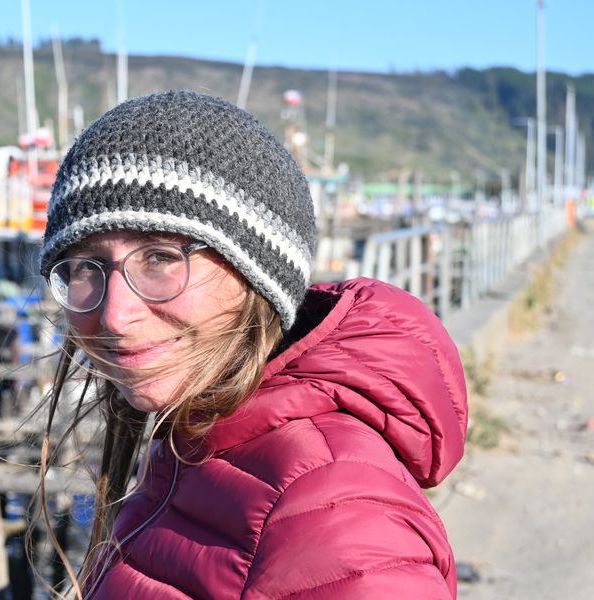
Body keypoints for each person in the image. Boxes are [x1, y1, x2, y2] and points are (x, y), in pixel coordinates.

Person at [38, 90, 468, 599]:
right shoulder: (195, 449)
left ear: (258, 277)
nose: (115, 314)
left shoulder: (334, 511)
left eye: (161, 258)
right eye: (84, 267)